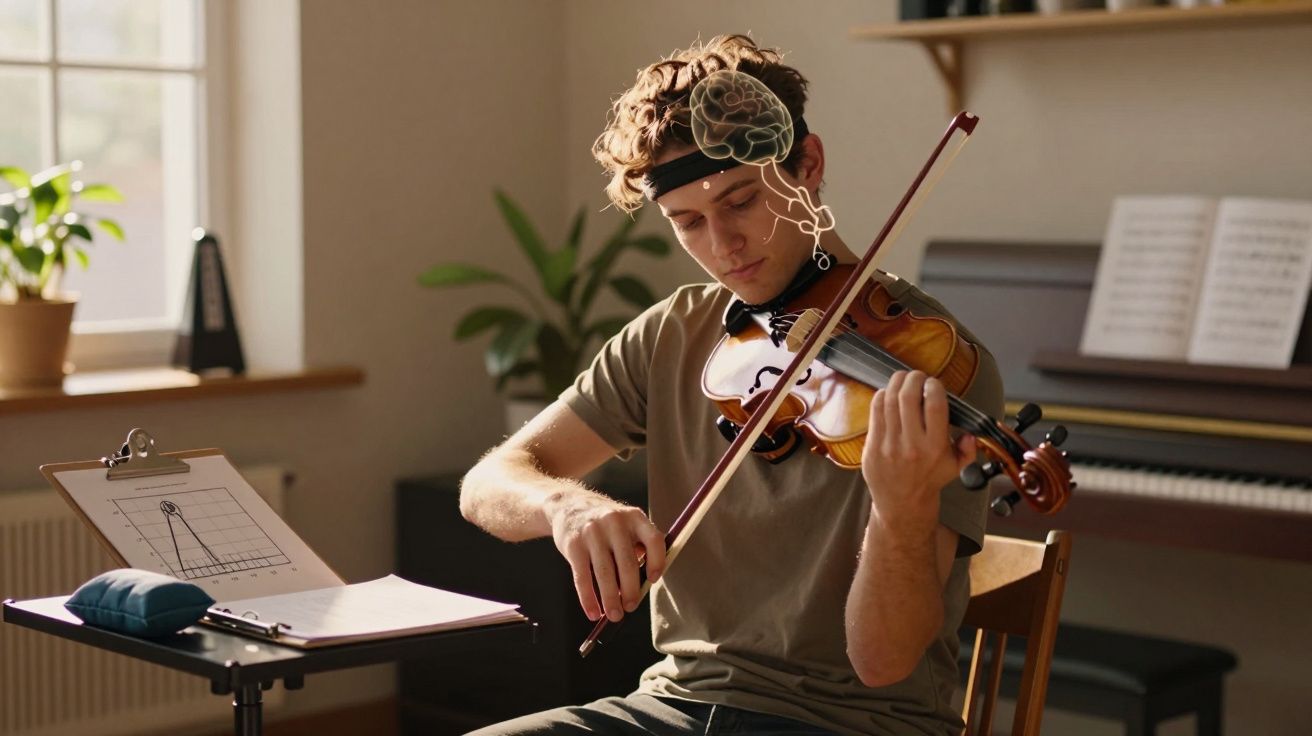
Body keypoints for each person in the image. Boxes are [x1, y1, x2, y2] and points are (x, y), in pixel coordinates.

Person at [461, 33, 1004, 736]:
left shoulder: (932, 360)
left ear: (806, 166)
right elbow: (490, 484)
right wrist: (567, 508)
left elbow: (884, 664)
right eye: (687, 221)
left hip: (854, 723)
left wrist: (900, 512)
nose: (723, 246)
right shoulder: (675, 333)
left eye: (742, 202)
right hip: (673, 708)